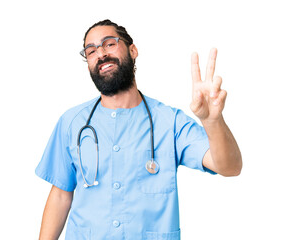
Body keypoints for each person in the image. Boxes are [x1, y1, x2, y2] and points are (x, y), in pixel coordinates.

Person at [35, 19, 242, 240]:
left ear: (132, 50)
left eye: (109, 43)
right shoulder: (72, 122)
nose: (101, 54)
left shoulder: (170, 122)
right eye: (91, 50)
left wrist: (212, 121)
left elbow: (229, 167)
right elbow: (60, 196)